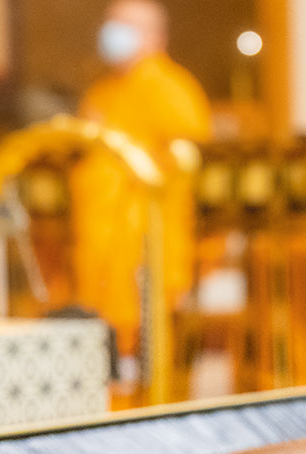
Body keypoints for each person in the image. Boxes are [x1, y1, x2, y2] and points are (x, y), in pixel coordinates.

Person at [70, 0, 211, 398]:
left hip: (146, 239)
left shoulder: (172, 87)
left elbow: (188, 162)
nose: (115, 32)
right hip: (100, 236)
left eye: (128, 25)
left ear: (156, 37)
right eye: (112, 23)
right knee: (106, 353)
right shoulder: (102, 91)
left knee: (150, 349)